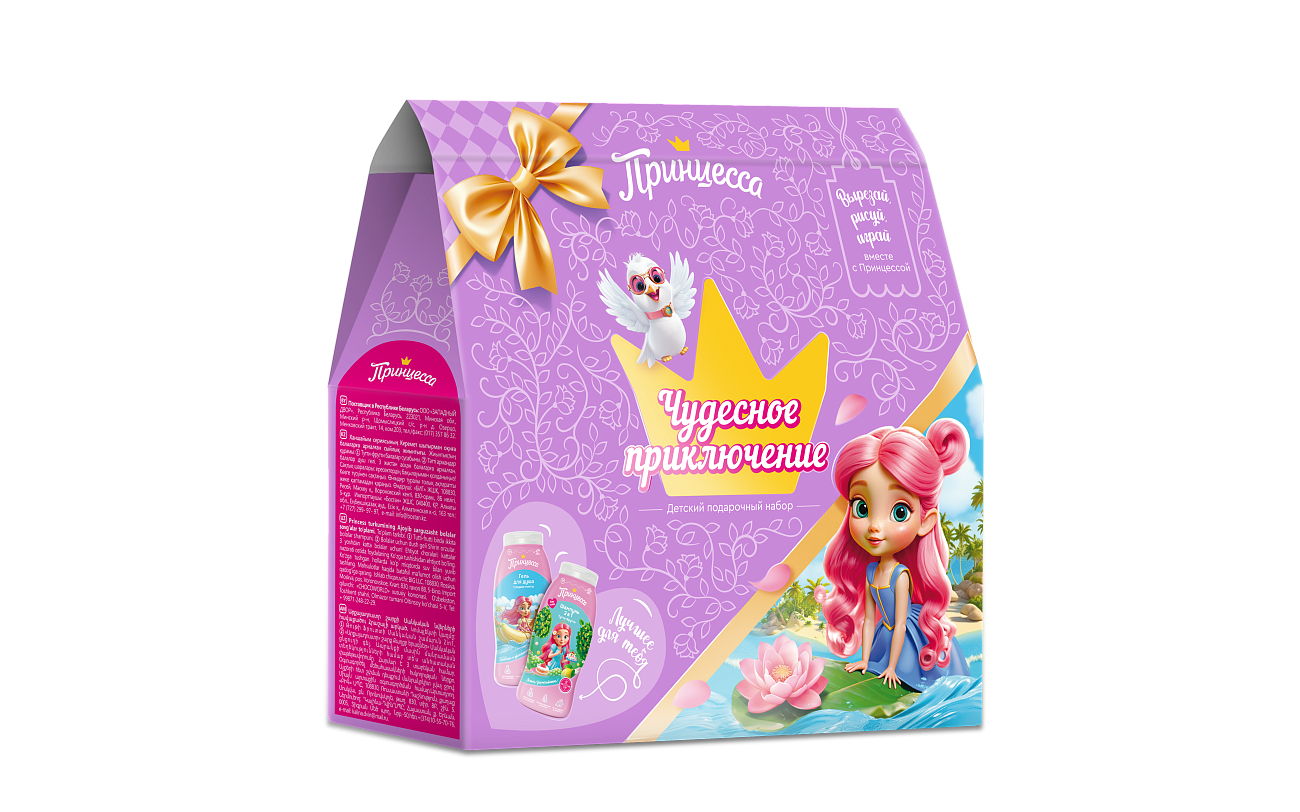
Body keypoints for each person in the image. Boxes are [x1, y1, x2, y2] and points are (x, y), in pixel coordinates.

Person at [815, 420, 970, 692]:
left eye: (899, 512)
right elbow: (870, 620)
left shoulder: (901, 576)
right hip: (885, 634)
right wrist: (865, 659)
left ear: (925, 522)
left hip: (910, 636)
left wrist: (891, 666)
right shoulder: (870, 572)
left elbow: (900, 624)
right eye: (861, 507)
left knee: (913, 688)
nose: (875, 526)